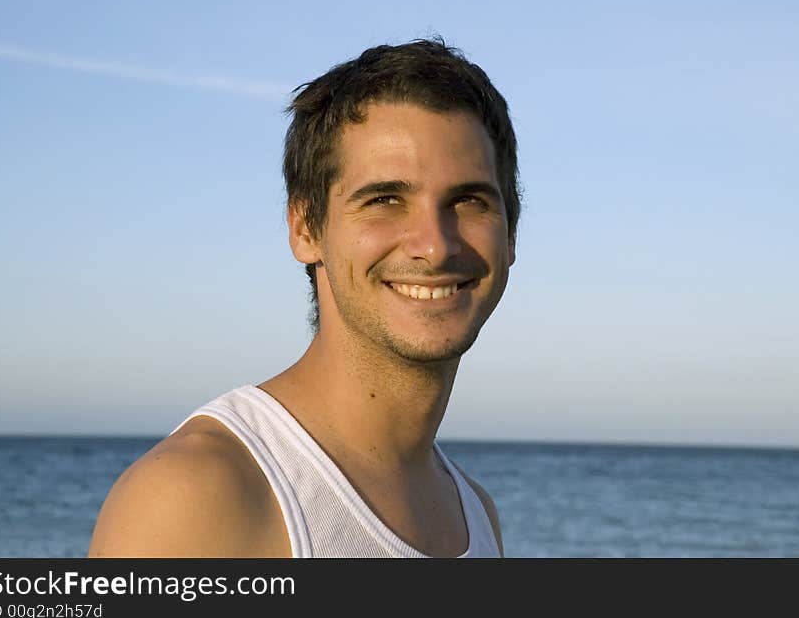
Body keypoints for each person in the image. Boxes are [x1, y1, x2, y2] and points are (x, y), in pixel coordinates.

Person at [88, 38, 521, 558]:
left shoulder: (475, 512)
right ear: (304, 228)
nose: (434, 245)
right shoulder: (199, 496)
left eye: (468, 201)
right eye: (385, 199)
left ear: (510, 232)